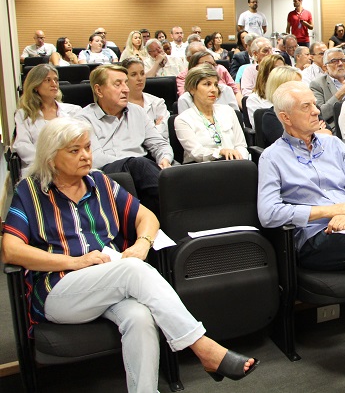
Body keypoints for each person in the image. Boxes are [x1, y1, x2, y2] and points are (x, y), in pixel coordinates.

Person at [2, 118, 258, 392]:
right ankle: (204, 348)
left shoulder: (100, 182)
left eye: (87, 147)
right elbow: (10, 250)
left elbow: (147, 217)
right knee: (132, 270)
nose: (86, 155)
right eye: (74, 151)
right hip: (60, 290)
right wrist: (75, 262)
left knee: (140, 317)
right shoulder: (30, 191)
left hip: (109, 283)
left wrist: (142, 244)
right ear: (51, 158)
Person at [257, 81, 345, 270]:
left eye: (315, 104)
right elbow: (268, 213)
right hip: (316, 236)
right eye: (306, 107)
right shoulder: (272, 157)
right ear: (286, 117)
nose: (316, 111)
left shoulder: (334, 144)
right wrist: (328, 211)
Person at [77, 64, 173, 215]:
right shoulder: (83, 119)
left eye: (126, 83)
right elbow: (95, 158)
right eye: (118, 84)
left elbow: (159, 144)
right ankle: (181, 207)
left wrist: (164, 159)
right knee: (140, 165)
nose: (126, 89)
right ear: (99, 90)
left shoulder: (137, 112)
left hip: (143, 173)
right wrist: (132, 163)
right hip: (106, 172)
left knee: (167, 175)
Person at [13, 64, 81, 173]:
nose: (54, 84)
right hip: (38, 168)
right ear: (35, 86)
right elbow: (22, 145)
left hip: (70, 165)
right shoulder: (24, 114)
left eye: (56, 80)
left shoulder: (74, 111)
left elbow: (81, 141)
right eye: (48, 80)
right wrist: (48, 162)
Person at [175, 65, 248, 163]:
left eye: (216, 84)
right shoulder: (183, 119)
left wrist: (240, 159)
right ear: (192, 89)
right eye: (207, 84)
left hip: (234, 164)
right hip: (202, 168)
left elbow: (241, 145)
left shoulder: (228, 111)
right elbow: (196, 152)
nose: (214, 89)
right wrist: (220, 152)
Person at [121, 58, 169, 139]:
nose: (140, 78)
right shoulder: (118, 105)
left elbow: (164, 133)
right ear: (124, 78)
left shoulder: (157, 103)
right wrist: (154, 128)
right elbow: (122, 136)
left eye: (142, 73)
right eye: (133, 74)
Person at [309, 47, 345, 132]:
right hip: (338, 128)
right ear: (325, 67)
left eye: (343, 60)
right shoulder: (317, 84)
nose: (340, 64)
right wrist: (340, 94)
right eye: (334, 61)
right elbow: (320, 114)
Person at [245, 54, 287, 125]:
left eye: (283, 69)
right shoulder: (254, 99)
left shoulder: (289, 95)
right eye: (276, 70)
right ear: (265, 73)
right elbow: (259, 127)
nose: (281, 73)